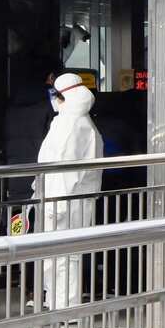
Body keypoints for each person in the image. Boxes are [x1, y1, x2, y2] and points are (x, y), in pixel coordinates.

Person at [34, 73, 103, 311]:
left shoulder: (69, 124)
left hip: (62, 200)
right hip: (70, 199)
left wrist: (56, 202)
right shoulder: (79, 121)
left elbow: (62, 168)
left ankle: (63, 305)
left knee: (61, 256)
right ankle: (59, 302)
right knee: (63, 255)